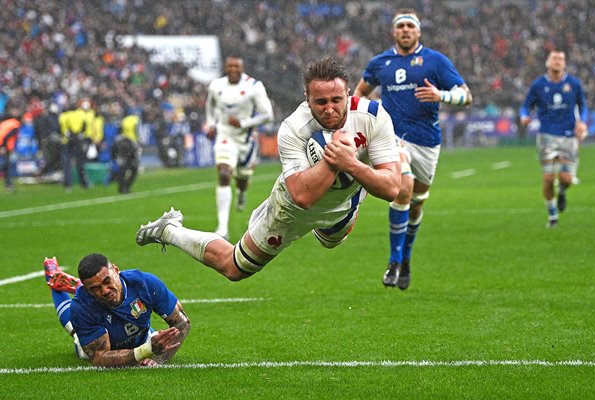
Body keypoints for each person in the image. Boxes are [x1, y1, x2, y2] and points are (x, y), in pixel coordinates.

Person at [136, 58, 402, 282]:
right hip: (291, 209)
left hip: (343, 207)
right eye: (321, 102)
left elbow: (391, 188)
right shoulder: (293, 128)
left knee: (331, 242)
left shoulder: (373, 116)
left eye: (336, 99)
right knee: (234, 268)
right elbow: (302, 197)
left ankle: (328, 206)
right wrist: (332, 162)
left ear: (349, 95)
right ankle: (169, 230)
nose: (330, 109)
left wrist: (351, 163)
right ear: (307, 100)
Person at [354, 8, 473, 290]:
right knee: (403, 187)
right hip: (393, 138)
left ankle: (405, 259)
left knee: (417, 203)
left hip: (427, 141)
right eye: (401, 26)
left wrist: (441, 95)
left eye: (410, 26)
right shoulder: (380, 62)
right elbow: (359, 93)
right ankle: (394, 261)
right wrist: (363, 118)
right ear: (393, 31)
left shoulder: (436, 61)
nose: (405, 30)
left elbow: (466, 96)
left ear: (418, 31)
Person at [43, 254, 190, 367]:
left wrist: (158, 359)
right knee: (71, 324)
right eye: (95, 288)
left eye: (107, 281)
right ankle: (52, 276)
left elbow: (182, 323)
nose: (105, 291)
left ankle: (79, 286)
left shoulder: (145, 284)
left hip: (142, 335)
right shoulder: (82, 307)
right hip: (106, 340)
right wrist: (144, 351)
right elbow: (99, 357)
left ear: (116, 270)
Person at [205, 56, 275, 240]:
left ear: (242, 68)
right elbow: (210, 106)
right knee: (224, 172)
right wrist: (211, 124)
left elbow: (267, 115)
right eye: (230, 66)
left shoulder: (254, 87)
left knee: (243, 179)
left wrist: (244, 123)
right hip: (225, 135)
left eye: (237, 66)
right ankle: (222, 228)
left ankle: (242, 192)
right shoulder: (216, 86)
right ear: (226, 67)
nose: (233, 69)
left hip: (246, 140)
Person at [519, 50, 588, 228]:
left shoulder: (573, 83)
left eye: (561, 59)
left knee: (566, 178)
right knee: (548, 179)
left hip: (568, 136)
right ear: (547, 63)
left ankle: (563, 192)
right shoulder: (538, 85)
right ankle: (552, 215)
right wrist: (524, 116)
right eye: (555, 58)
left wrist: (582, 122)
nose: (558, 61)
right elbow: (526, 106)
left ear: (564, 64)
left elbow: (583, 105)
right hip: (547, 136)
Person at [107, 114, 141, 193]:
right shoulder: (135, 120)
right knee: (131, 168)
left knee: (123, 168)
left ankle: (122, 187)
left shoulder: (125, 121)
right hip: (130, 144)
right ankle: (125, 187)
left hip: (122, 143)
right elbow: (136, 131)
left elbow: (118, 132)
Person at [0, 109, 21, 192]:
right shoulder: (15, 124)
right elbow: (7, 136)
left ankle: (8, 184)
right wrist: (3, 146)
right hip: (4, 146)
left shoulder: (6, 122)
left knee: (6, 166)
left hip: (3, 145)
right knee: (7, 166)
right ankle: (9, 185)